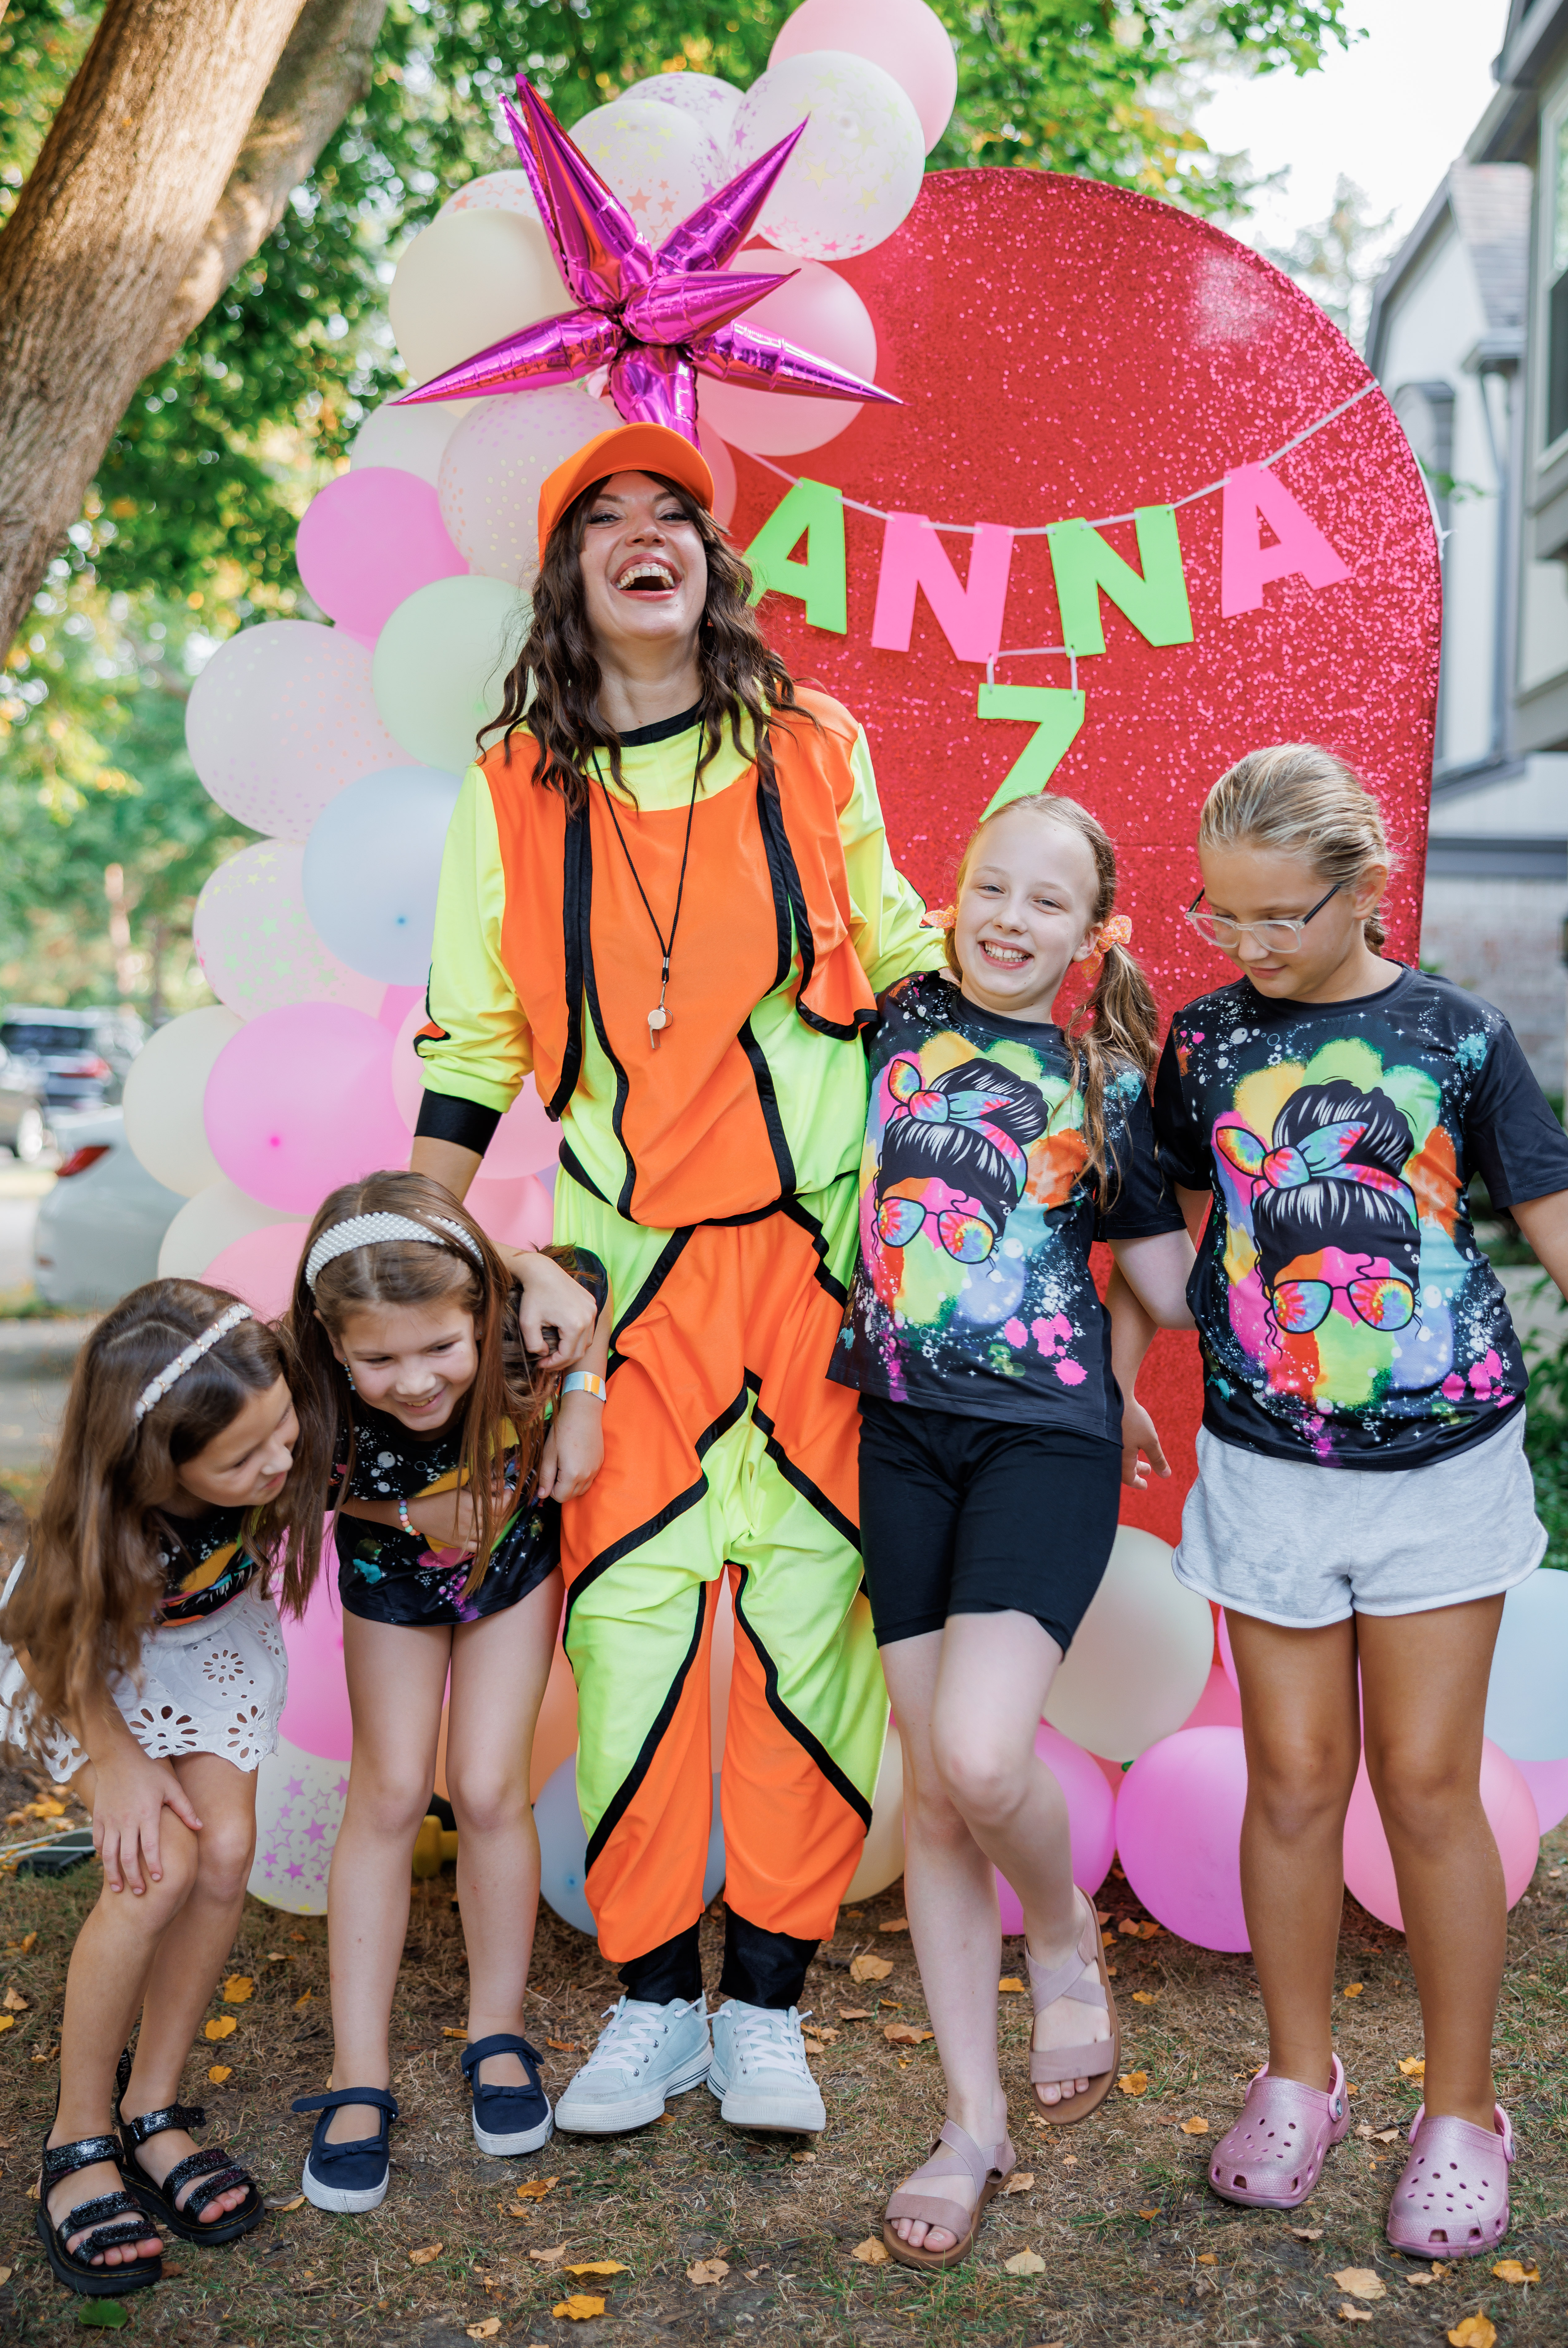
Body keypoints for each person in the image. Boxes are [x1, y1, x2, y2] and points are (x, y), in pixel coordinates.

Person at [411, 421, 940, 2141]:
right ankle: (651, 2004)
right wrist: (407, 1258)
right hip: (615, 1292)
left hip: (811, 1265)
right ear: (569, 582)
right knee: (631, 1637)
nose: (645, 537)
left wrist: (1029, 1086)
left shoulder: (815, 744)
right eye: (603, 521)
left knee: (805, 1626)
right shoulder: (508, 786)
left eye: (676, 516)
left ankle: (766, 2009)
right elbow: (473, 1036)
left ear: (712, 567)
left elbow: (906, 953)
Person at [1153, 743, 1568, 2259]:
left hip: (1443, 1471)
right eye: (1224, 916)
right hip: (1265, 1471)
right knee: (1291, 1778)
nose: (1251, 948)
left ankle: (1462, 2108)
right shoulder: (1198, 1042)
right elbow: (1196, 1216)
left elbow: (1562, 1211)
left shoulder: (1456, 1036)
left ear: (1366, 886)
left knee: (1428, 1782)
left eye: (1281, 917)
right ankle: (1296, 2076)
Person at [841, 792, 1194, 2270]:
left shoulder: (1112, 1078)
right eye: (990, 884)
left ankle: (1056, 1925)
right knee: (933, 1792)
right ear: (953, 892)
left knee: (983, 1754)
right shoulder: (879, 1017)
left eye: (1045, 901)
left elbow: (1167, 1282)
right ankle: (969, 2123)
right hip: (896, 1431)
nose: (1008, 916)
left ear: (1090, 930)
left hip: (1045, 1440)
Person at [285, 1173, 610, 2211]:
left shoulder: (530, 1316)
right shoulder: (304, 1387)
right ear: (337, 1347)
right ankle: (357, 2074)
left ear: (481, 1312)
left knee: (486, 1788)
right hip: (392, 1576)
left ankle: (498, 2033)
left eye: (440, 1349)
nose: (416, 1382)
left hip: (512, 1569)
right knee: (385, 1797)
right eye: (379, 1359)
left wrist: (586, 1394)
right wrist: (412, 1522)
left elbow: (595, 1289)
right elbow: (290, 1485)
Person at [0, 1284, 312, 2298]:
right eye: (244, 1460)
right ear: (155, 1468)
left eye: (284, 1430)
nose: (281, 1464)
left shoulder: (273, 1418)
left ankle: (154, 2108)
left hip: (209, 1649)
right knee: (155, 1869)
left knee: (223, 1854)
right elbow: (47, 1644)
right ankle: (78, 2137)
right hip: (86, 1674)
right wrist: (118, 1766)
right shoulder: (107, 1533)